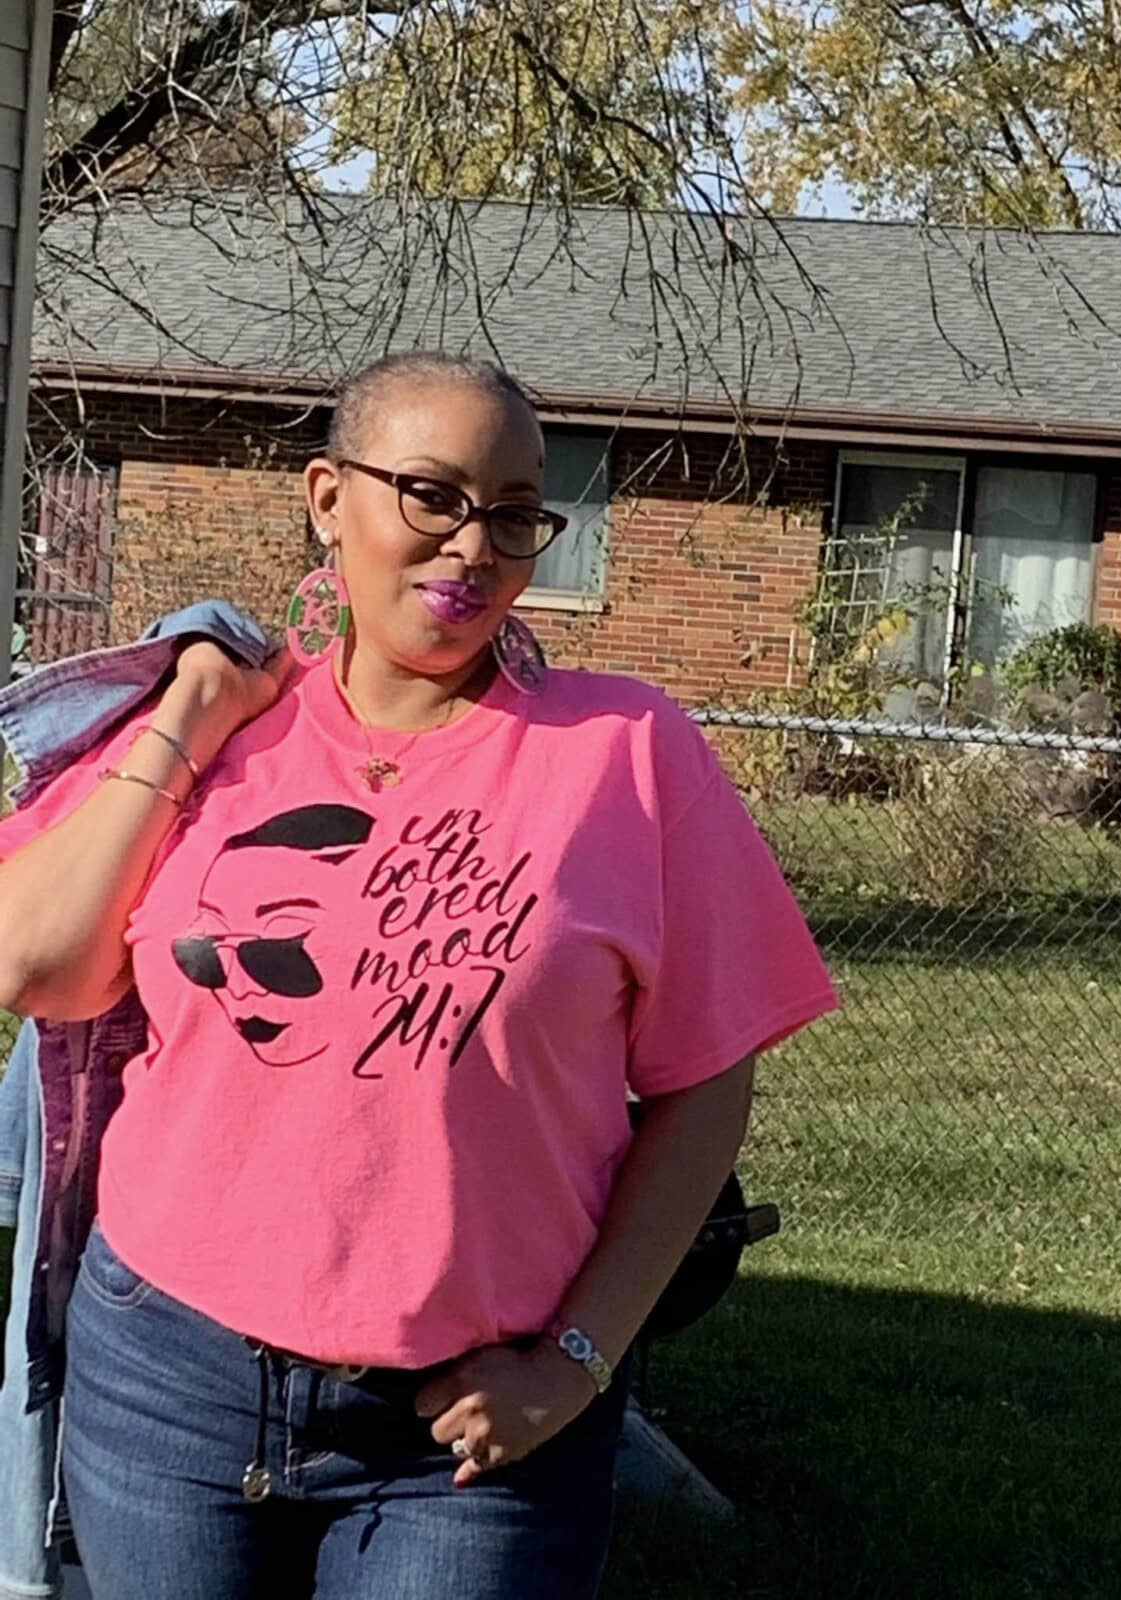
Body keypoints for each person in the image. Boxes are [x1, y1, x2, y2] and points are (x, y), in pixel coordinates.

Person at [0, 352, 836, 1600]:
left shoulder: (629, 756)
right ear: (329, 498)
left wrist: (577, 1359)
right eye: (432, 495)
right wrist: (190, 718)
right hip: (168, 1381)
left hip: (465, 1439)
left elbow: (707, 1087)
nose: (475, 546)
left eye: (514, 512)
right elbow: (41, 969)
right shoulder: (209, 726)